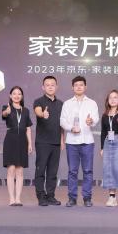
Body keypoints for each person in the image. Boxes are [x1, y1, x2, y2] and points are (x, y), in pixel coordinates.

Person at [60, 76, 99, 207]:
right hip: (71, 142)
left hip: (87, 141)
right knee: (72, 171)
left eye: (81, 85)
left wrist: (91, 121)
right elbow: (62, 121)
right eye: (76, 85)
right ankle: (72, 198)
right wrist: (71, 128)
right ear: (72, 87)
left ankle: (87, 198)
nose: (79, 87)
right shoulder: (67, 103)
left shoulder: (92, 103)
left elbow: (96, 119)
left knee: (88, 171)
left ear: (85, 87)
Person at [33, 76, 65, 206]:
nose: (50, 87)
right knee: (40, 170)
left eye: (53, 85)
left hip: (56, 142)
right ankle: (41, 196)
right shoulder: (38, 101)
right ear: (43, 87)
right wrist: (43, 114)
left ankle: (51, 196)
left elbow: (62, 124)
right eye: (47, 85)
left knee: (53, 172)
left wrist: (62, 140)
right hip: (42, 142)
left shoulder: (61, 104)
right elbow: (38, 112)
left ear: (56, 87)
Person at [1, 86, 33, 206]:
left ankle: (18, 199)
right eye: (14, 93)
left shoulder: (26, 111)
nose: (16, 95)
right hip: (10, 140)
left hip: (22, 142)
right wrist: (6, 112)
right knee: (11, 169)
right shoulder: (6, 107)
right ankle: (11, 199)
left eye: (19, 94)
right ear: (10, 96)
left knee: (20, 171)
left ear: (22, 96)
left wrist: (30, 143)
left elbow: (28, 128)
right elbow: (4, 114)